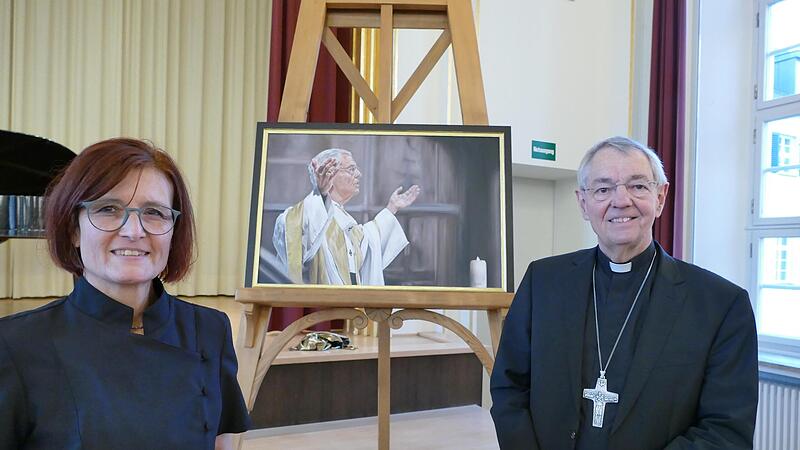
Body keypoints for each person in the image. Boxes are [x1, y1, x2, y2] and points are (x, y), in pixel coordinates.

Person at [490, 136, 758, 449]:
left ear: (660, 197)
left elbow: (724, 432)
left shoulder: (721, 305)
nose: (621, 200)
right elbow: (509, 387)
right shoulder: (543, 281)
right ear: (583, 203)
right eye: (603, 189)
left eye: (638, 186)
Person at [0, 138, 251, 449]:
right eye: (108, 209)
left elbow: (221, 443)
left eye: (154, 213)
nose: (134, 231)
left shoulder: (210, 329)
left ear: (174, 230)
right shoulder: (15, 344)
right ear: (74, 230)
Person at [272, 148, 421, 285]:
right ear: (330, 173)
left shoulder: (345, 220)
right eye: (351, 169)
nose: (358, 174)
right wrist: (321, 193)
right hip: (320, 310)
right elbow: (296, 231)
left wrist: (392, 208)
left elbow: (369, 241)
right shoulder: (307, 214)